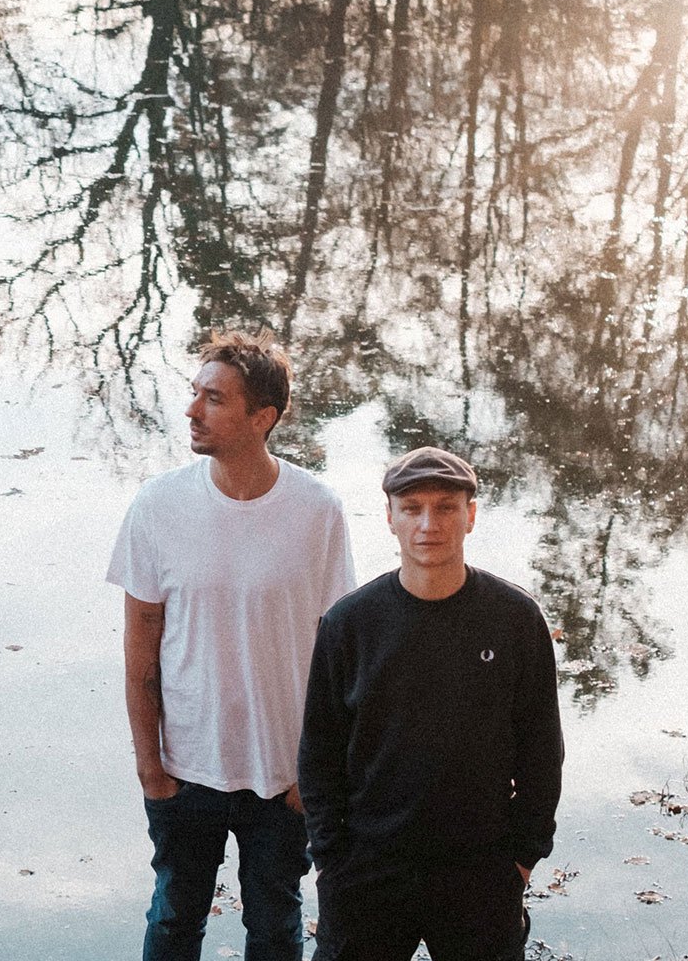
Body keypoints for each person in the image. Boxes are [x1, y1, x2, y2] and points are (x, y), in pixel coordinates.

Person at [108, 329, 356, 961]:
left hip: (283, 774)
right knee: (173, 921)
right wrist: (148, 766)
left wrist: (315, 771)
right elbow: (140, 645)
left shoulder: (317, 510)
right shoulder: (158, 505)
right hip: (185, 768)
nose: (192, 411)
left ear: (262, 417)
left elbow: (339, 656)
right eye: (195, 394)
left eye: (214, 399)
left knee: (275, 926)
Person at [298, 447, 564, 961]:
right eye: (412, 507)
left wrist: (523, 855)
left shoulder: (515, 620)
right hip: (369, 869)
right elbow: (319, 753)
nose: (428, 523)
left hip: (480, 870)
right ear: (390, 518)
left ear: (470, 516)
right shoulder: (350, 624)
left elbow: (541, 751)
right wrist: (332, 857)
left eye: (445, 507)